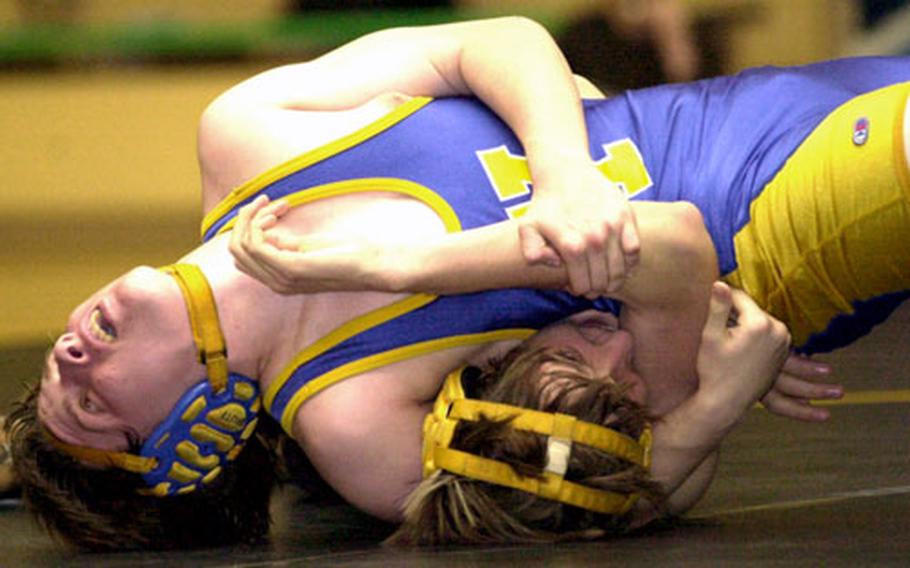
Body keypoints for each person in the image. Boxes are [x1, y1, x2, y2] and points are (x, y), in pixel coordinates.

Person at [3, 16, 862, 550]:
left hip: (740, 104)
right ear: (196, 446)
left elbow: (494, 41)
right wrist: (708, 408)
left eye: (55, 366)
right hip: (768, 229)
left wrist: (563, 171)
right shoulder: (350, 424)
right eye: (87, 401)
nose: (69, 353)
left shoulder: (242, 136)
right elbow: (602, 487)